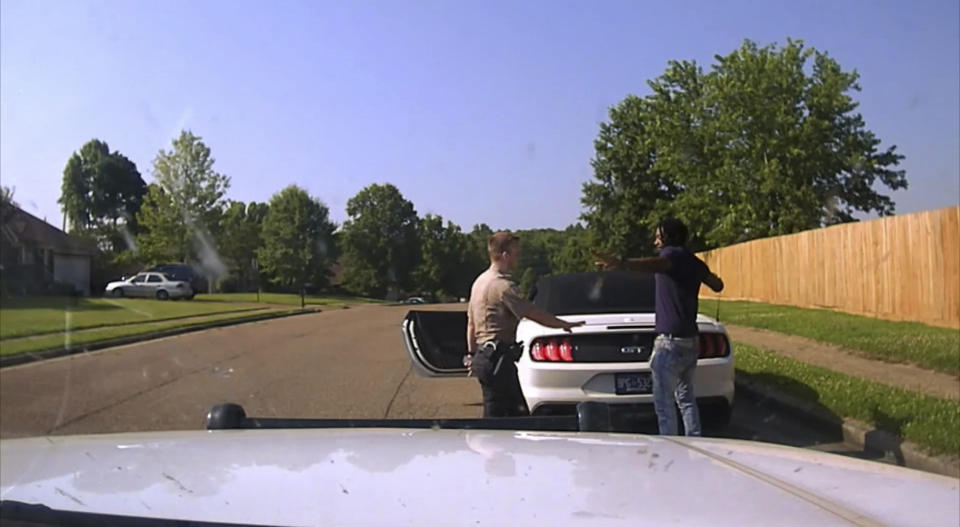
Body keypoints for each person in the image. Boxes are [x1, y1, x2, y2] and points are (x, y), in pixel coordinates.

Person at [596, 218, 724, 436]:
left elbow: (653, 265)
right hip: (691, 340)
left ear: (668, 237)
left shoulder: (671, 256)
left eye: (658, 236)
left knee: (664, 403)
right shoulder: (695, 262)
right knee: (685, 398)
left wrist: (621, 263)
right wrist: (708, 276)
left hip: (670, 343)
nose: (655, 241)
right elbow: (717, 285)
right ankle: (695, 439)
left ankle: (670, 450)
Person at [466, 232, 585, 417]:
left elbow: (471, 324)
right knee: (511, 418)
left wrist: (472, 354)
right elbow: (533, 313)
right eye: (515, 254)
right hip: (498, 360)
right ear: (505, 255)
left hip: (484, 357)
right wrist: (563, 324)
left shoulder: (478, 283)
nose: (517, 259)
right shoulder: (503, 286)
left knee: (497, 413)